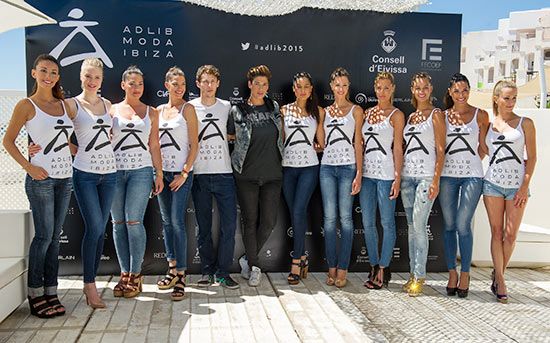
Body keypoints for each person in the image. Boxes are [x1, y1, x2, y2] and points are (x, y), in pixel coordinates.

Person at [3, 54, 74, 318]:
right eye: (44, 71)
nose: (49, 76)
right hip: (40, 180)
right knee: (43, 237)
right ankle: (35, 294)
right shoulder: (26, 104)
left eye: (54, 72)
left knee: (55, 239)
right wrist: (28, 166)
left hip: (65, 178)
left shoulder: (64, 105)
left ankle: (51, 291)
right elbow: (8, 141)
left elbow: (65, 141)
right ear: (34, 73)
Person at [110, 65, 163, 298]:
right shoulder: (111, 110)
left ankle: (136, 274)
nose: (136, 87)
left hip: (141, 172)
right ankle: (124, 274)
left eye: (140, 83)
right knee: (118, 223)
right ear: (123, 85)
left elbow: (154, 145)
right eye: (131, 83)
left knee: (133, 221)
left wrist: (158, 173)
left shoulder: (151, 112)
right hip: (113, 172)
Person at [481, 80, 536, 303]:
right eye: (507, 98)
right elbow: (482, 150)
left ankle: (497, 273)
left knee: (510, 235)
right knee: (496, 233)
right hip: (492, 184)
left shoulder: (525, 123)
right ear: (496, 99)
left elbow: (532, 158)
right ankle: (501, 280)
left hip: (517, 187)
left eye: (514, 98)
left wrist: (524, 186)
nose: (511, 102)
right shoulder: (489, 125)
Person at [230, 65, 283, 287]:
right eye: (257, 84)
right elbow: (230, 136)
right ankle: (254, 266)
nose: (261, 88)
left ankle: (246, 259)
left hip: (272, 173)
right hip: (246, 174)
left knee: (269, 221)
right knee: (249, 221)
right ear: (249, 84)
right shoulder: (238, 110)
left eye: (265, 84)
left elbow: (282, 134)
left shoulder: (274, 107)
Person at [439, 73, 489, 298]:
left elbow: (483, 147)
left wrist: (471, 164)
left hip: (472, 176)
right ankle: (452, 272)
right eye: (456, 91)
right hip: (447, 176)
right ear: (450, 92)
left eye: (465, 90)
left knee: (462, 224)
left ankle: (466, 273)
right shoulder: (442, 116)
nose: (461, 95)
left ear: (469, 91)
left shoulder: (481, 115)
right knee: (449, 225)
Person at [190, 65, 240, 289]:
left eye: (212, 81)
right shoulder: (190, 107)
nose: (209, 85)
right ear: (198, 83)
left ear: (218, 84)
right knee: (203, 226)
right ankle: (207, 271)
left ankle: (223, 272)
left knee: (228, 226)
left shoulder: (227, 107)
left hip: (224, 173)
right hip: (199, 173)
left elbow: (236, 134)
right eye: (205, 81)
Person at [154, 67, 198, 300]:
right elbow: (153, 145)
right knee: (166, 222)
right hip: (162, 174)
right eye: (175, 83)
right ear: (167, 85)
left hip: (182, 174)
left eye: (183, 83)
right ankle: (171, 268)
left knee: (177, 222)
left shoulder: (188, 109)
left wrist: (184, 173)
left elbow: (194, 145)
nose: (180, 87)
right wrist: (159, 173)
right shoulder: (158, 111)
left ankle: (181, 275)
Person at [400, 72, 445, 297]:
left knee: (419, 225)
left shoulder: (436, 115)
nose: (422, 91)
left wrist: (436, 180)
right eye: (418, 88)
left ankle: (420, 275)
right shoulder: (412, 116)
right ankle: (412, 274)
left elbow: (440, 150)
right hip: (408, 177)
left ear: (431, 88)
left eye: (425, 87)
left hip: (426, 177)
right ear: (412, 90)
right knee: (411, 227)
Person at [360, 72, 404, 289]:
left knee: (387, 223)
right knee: (368, 224)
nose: (383, 92)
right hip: (367, 176)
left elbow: (398, 148)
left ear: (393, 89)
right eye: (379, 88)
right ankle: (373, 265)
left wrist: (397, 177)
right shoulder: (367, 113)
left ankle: (384, 268)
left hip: (386, 176)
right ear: (375, 89)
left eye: (387, 88)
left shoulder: (396, 115)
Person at [320, 67, 363, 288]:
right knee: (329, 220)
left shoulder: (356, 111)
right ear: (331, 86)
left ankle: (343, 268)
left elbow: (358, 143)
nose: (341, 88)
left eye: (345, 85)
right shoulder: (324, 112)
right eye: (337, 84)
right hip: (327, 167)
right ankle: (332, 268)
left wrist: (359, 172)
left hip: (348, 168)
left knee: (346, 220)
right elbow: (320, 140)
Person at [281, 72, 324, 285]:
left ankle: (296, 262)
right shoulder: (284, 111)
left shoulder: (318, 112)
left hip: (309, 168)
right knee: (294, 213)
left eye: (307, 86)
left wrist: (317, 145)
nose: (303, 90)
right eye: (299, 86)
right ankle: (304, 256)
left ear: (311, 89)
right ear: (294, 89)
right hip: (288, 168)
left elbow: (322, 142)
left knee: (298, 211)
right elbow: (280, 140)